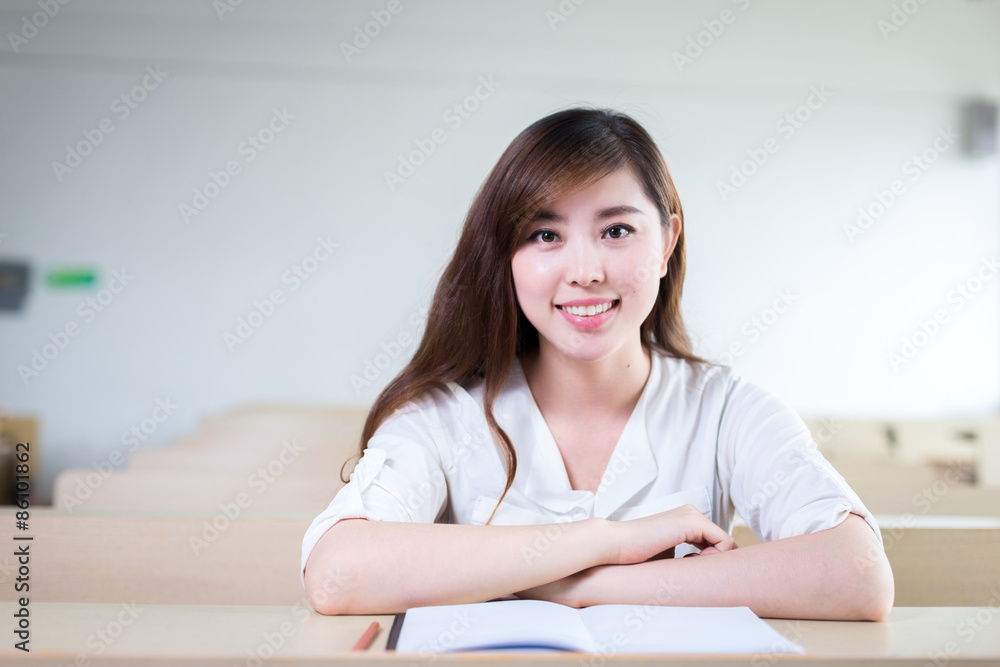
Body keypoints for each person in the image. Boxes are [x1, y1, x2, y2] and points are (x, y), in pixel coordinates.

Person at [301, 107, 894, 620]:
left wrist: (580, 586)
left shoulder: (727, 409)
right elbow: (336, 572)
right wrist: (607, 540)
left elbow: (858, 573)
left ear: (665, 243)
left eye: (616, 230)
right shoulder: (442, 414)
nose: (584, 271)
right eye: (543, 235)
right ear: (504, 256)